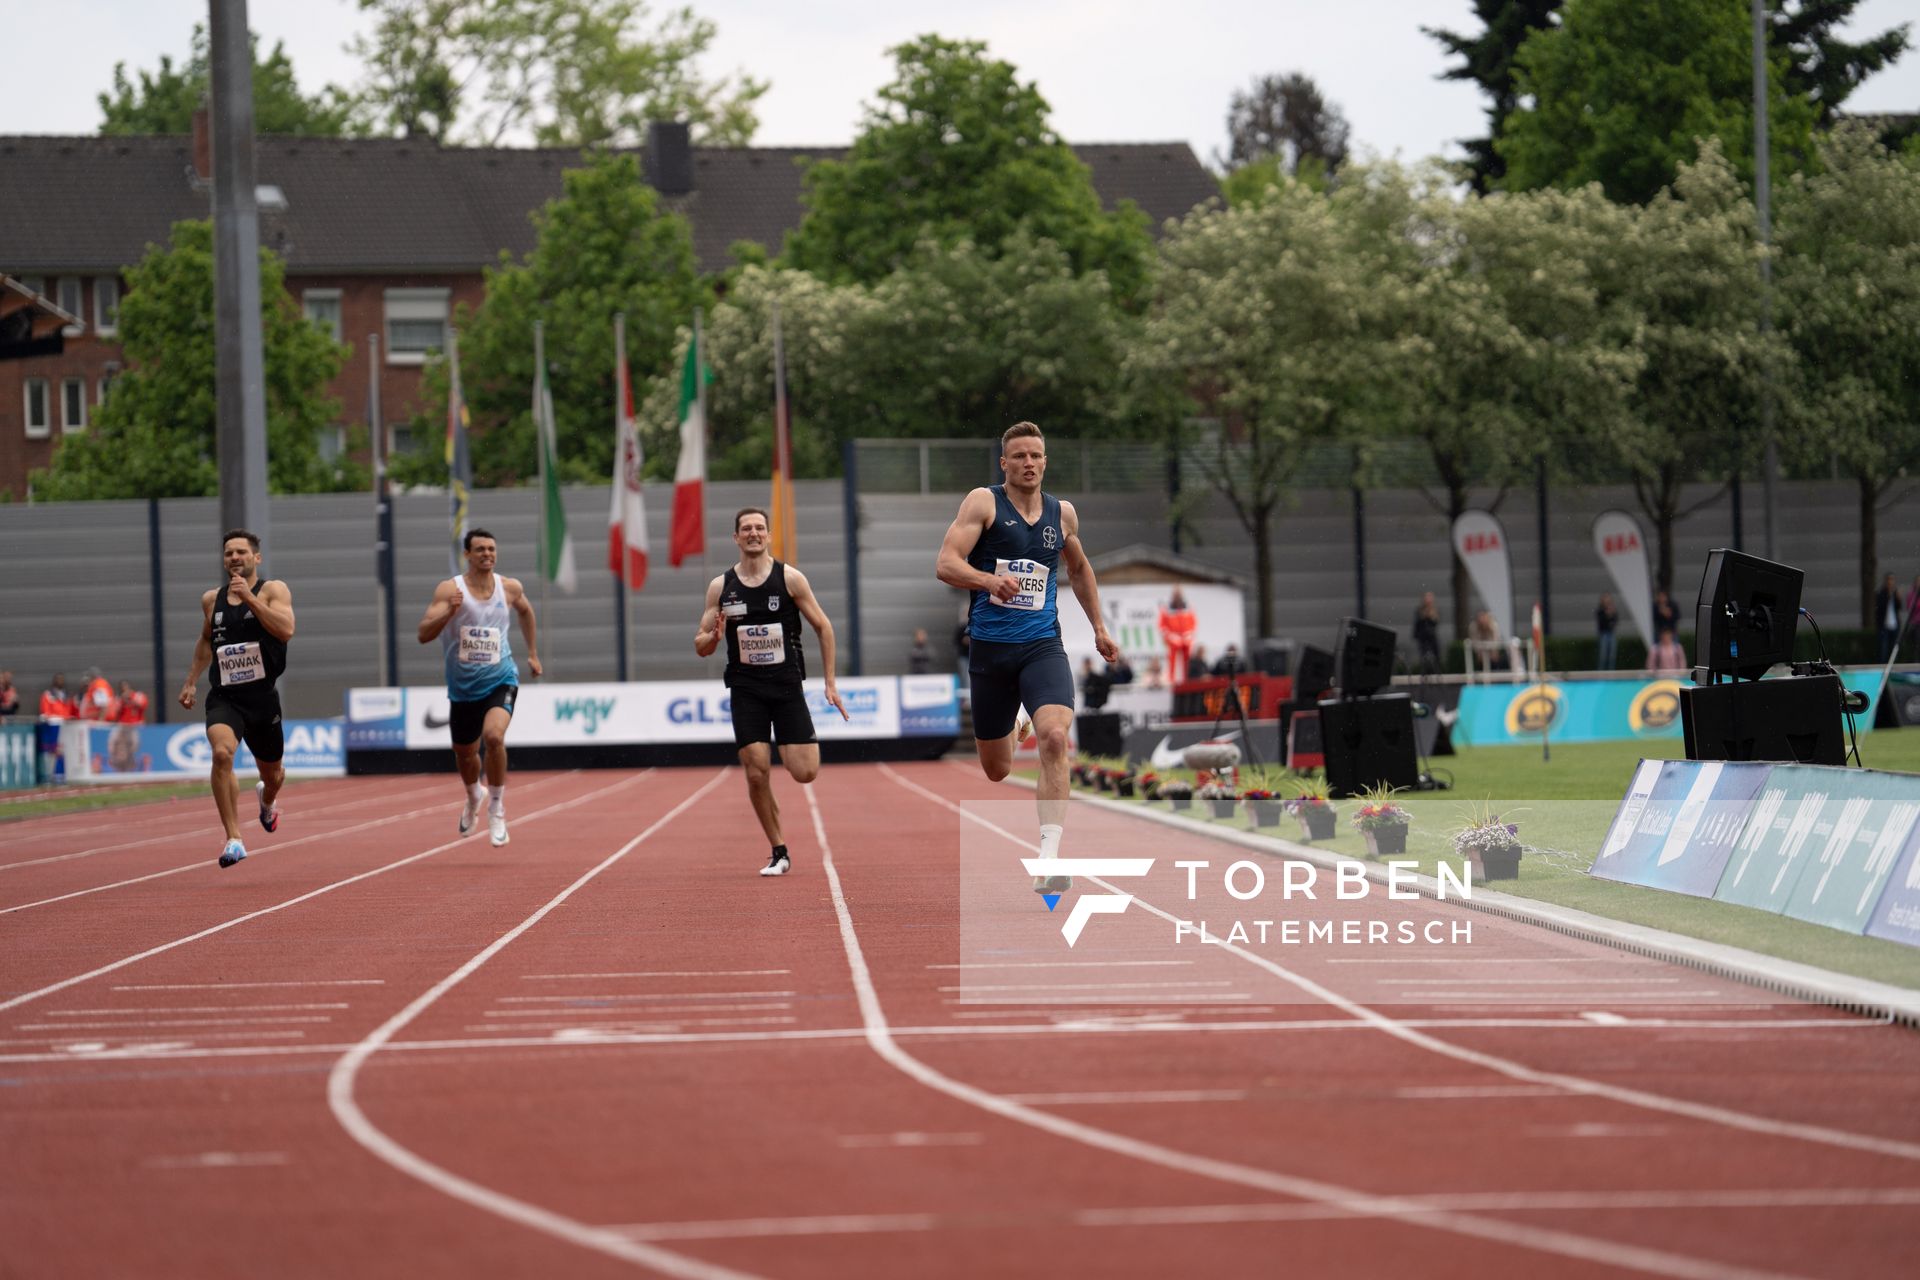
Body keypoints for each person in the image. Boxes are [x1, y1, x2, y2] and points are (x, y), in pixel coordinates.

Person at [936, 421, 1120, 895]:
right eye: (1019, 456)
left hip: (1042, 646)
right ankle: (1018, 722)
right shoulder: (983, 502)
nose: (1028, 463)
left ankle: (1049, 857)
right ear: (1004, 463)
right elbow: (946, 564)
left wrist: (1099, 627)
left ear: (1045, 460)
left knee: (1056, 738)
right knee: (997, 769)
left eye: (1035, 455)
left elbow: (1078, 569)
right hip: (991, 654)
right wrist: (987, 581)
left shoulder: (1063, 515)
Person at [695, 507, 848, 877]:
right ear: (736, 537)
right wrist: (713, 637)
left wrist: (830, 682)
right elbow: (700, 644)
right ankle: (779, 850)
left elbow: (824, 628)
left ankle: (787, 742)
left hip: (786, 686)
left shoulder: (790, 579)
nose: (753, 533)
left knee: (805, 772)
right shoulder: (721, 587)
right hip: (746, 689)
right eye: (746, 528)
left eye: (759, 528)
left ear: (768, 535)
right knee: (756, 772)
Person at [178, 529, 296, 869]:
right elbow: (205, 642)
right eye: (229, 552)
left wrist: (251, 600)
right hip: (225, 697)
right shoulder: (210, 600)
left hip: (262, 699)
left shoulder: (273, 590)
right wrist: (190, 681)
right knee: (221, 753)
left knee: (272, 775)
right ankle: (234, 838)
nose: (234, 558)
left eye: (241, 552)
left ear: (256, 558)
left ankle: (267, 803)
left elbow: (286, 630)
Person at [417, 528, 540, 847]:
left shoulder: (509, 587)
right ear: (467, 554)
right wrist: (448, 611)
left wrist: (532, 653)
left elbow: (526, 612)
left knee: (494, 737)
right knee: (465, 753)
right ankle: (474, 794)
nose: (487, 553)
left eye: (491, 549)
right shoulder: (450, 590)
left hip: (501, 678)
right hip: (462, 688)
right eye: (480, 549)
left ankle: (497, 807)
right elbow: (423, 634)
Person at [1158, 590, 1196, 689]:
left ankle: (1187, 681)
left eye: (1179, 595)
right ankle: (1171, 681)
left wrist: (1189, 635)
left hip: (1186, 640)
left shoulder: (1188, 607)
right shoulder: (1167, 608)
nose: (1177, 597)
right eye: (1176, 595)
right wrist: (1171, 637)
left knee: (1188, 661)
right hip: (1173, 640)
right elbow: (1162, 626)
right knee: (1172, 660)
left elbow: (1193, 623)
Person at [1875, 572, 1905, 663]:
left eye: (1892, 580)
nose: (1890, 582)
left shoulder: (1895, 593)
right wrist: (1888, 595)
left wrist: (1898, 598)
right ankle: (1882, 666)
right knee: (1883, 649)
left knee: (1894, 649)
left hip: (1894, 625)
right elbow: (1879, 608)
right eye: (1889, 580)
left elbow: (1899, 607)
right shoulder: (1881, 593)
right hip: (1884, 626)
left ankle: (1893, 666)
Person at [1412, 592, 1441, 672]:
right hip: (1423, 638)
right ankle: (1425, 672)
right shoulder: (1419, 611)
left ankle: (1436, 672)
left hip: (1432, 637)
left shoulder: (1434, 610)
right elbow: (1417, 623)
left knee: (1436, 657)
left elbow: (1436, 622)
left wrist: (1431, 616)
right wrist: (1424, 616)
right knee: (1424, 657)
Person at [1595, 593, 1619, 671]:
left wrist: (1611, 615)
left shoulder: (1612, 609)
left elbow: (1615, 621)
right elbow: (1601, 623)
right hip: (1603, 634)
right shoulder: (1600, 610)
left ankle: (1611, 672)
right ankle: (1601, 672)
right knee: (1603, 656)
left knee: (1612, 655)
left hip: (1611, 633)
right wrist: (1607, 615)